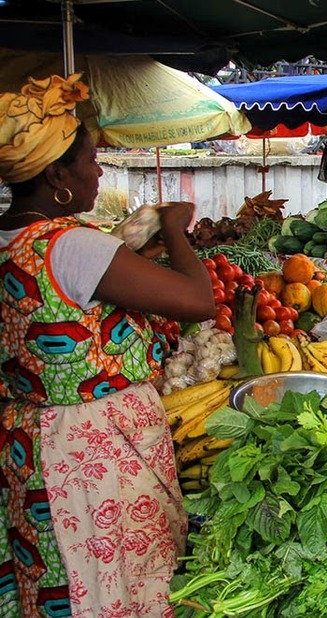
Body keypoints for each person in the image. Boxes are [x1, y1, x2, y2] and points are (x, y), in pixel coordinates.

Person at [0, 74, 215, 615]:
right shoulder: (70, 245)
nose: (99, 172)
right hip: (96, 449)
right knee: (118, 581)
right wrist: (172, 228)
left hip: (32, 440)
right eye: (92, 161)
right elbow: (197, 300)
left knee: (63, 577)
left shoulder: (12, 240)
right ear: (57, 175)